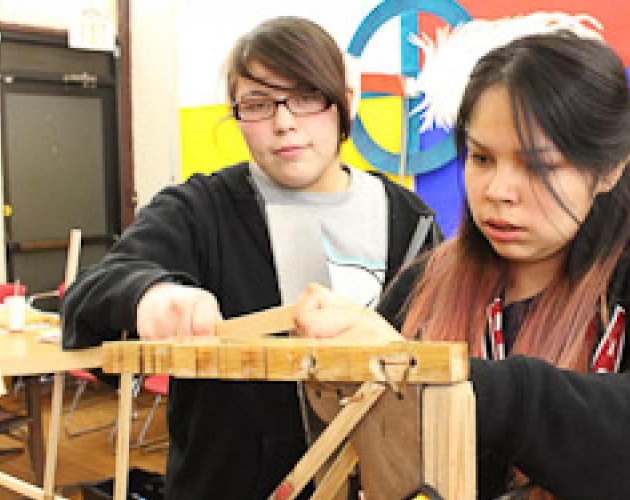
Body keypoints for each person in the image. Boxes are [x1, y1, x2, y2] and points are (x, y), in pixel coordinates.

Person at [294, 30, 630, 499]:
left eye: (538, 165)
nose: (497, 190)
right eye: (481, 158)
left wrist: (451, 379)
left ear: (609, 168)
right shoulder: (425, 284)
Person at [61, 16, 441, 500]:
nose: (284, 122)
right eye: (259, 105)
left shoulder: (410, 221)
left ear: (347, 101)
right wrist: (152, 295)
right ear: (236, 113)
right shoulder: (201, 210)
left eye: (306, 97)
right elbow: (91, 292)